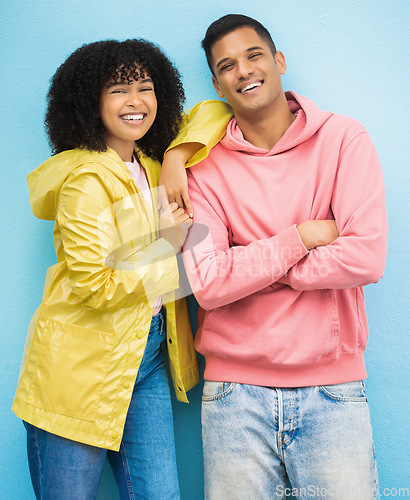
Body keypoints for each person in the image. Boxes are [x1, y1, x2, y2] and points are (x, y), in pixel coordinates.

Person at [163, 14, 388, 499]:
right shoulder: (200, 168)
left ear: (279, 61)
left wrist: (250, 267)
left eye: (253, 55)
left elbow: (365, 258)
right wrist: (302, 236)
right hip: (232, 399)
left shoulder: (344, 140)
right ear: (219, 86)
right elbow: (208, 284)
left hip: (333, 393)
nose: (243, 70)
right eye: (226, 66)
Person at [11, 38, 229, 500]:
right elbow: (96, 284)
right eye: (117, 90)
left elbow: (215, 110)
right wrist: (175, 254)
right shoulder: (86, 180)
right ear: (90, 102)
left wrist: (174, 157)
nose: (136, 102)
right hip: (79, 363)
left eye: (146, 87)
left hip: (145, 356)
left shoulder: (150, 168)